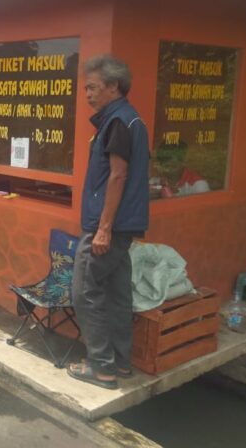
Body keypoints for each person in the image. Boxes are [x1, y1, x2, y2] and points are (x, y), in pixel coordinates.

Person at [67, 54, 150, 389]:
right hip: (122, 227)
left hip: (108, 227)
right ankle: (120, 362)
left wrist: (103, 229)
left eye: (93, 87)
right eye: (85, 88)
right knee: (117, 294)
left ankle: (101, 367)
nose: (87, 94)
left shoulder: (117, 122)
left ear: (113, 86)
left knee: (84, 291)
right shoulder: (131, 120)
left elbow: (118, 176)